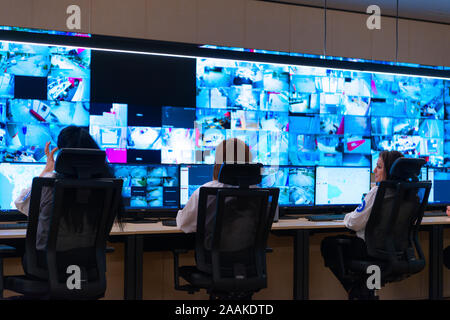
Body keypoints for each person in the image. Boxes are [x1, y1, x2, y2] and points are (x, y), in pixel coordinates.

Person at [14, 125, 124, 252]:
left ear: (63, 155)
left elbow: (21, 203)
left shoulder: (50, 183)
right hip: (89, 265)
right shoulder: (106, 185)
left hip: (47, 265)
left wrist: (46, 170)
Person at [320, 150, 404, 294]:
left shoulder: (378, 192)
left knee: (329, 244)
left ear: (389, 170)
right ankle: (366, 289)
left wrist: (346, 217)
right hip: (397, 251)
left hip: (370, 250)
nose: (374, 170)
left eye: (379, 167)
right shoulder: (408, 193)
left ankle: (355, 289)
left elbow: (354, 223)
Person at [176, 138, 253, 233]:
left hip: (212, 247)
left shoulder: (205, 191)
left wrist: (180, 214)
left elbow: (184, 225)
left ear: (218, 162)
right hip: (249, 247)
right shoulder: (259, 193)